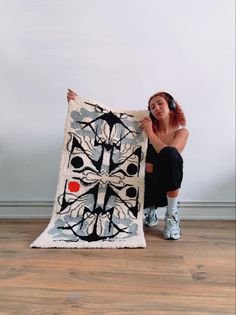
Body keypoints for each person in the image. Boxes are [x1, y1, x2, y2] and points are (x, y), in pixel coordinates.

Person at [139, 92, 188, 240]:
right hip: (146, 184)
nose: (156, 108)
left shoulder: (182, 132)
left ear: (171, 106)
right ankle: (150, 210)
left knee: (170, 154)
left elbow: (170, 155)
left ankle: (172, 215)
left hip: (166, 185)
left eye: (160, 103)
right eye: (152, 107)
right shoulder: (143, 133)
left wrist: (150, 133)